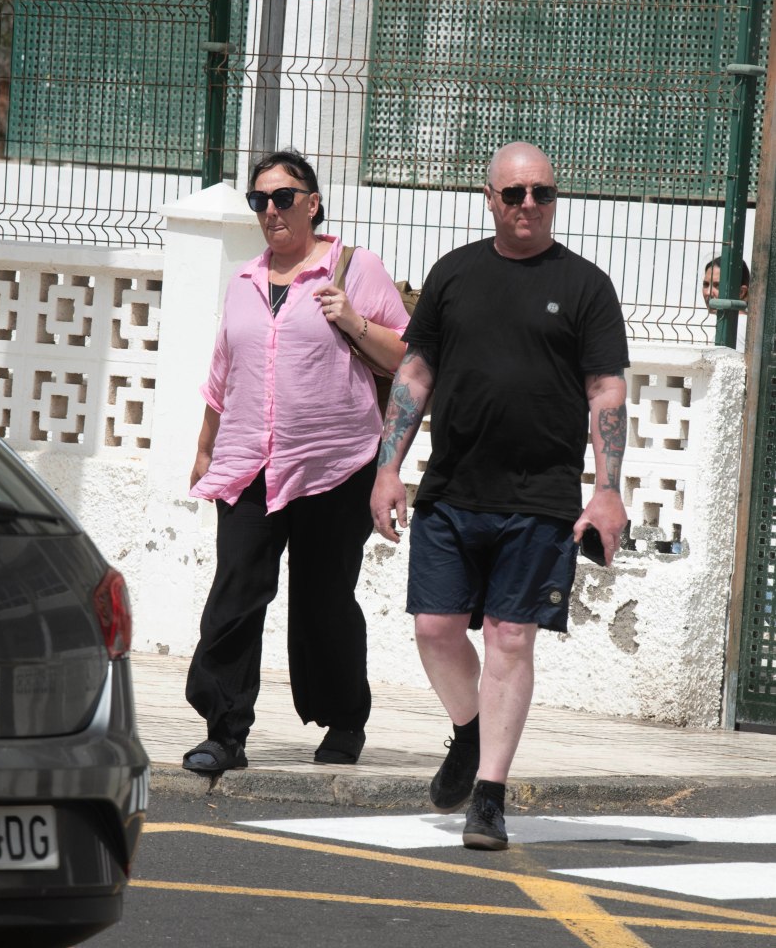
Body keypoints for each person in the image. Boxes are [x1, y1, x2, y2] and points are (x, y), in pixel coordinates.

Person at [370, 142, 630, 851]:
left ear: (554, 198)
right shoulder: (454, 274)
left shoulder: (584, 285)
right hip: (452, 490)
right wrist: (387, 466)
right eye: (513, 193)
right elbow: (416, 373)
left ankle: (487, 793)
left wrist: (605, 491)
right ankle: (469, 728)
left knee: (510, 638)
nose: (527, 206)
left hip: (541, 497)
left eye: (540, 193)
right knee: (433, 629)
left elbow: (605, 390)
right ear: (488, 197)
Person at [183, 148, 410, 774]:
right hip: (248, 464)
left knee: (324, 599)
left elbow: (406, 358)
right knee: (234, 595)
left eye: (284, 197)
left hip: (333, 464)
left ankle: (343, 721)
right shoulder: (245, 281)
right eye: (260, 200)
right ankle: (224, 732)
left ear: (312, 202)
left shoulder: (355, 269)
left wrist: (355, 321)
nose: (271, 211)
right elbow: (223, 374)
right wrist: (205, 448)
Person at [702, 255, 749, 351]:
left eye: (718, 286)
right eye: (706, 284)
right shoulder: (740, 323)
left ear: (741, 292)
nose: (708, 292)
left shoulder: (736, 327)